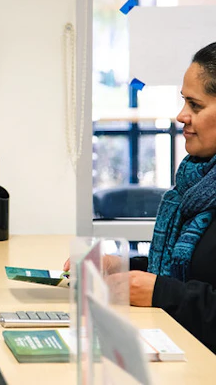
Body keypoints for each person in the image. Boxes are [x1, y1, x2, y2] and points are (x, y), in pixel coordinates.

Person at [65, 42, 216, 353]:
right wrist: (121, 267)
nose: (181, 115)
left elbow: (182, 288)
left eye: (195, 105)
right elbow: (185, 269)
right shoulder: (194, 186)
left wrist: (160, 292)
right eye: (183, 102)